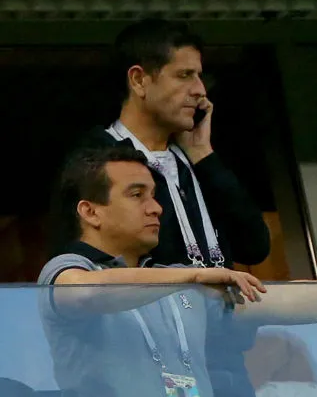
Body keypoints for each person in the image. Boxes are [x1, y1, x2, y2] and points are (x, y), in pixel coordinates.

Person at [39, 146, 317, 397]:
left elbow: (280, 299)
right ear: (89, 211)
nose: (156, 208)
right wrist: (192, 277)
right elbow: (83, 293)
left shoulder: (172, 279)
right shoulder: (69, 268)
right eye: (136, 195)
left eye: (154, 195)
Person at [64, 18, 270, 269]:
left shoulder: (197, 157)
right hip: (155, 306)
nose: (200, 90)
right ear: (139, 80)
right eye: (184, 75)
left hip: (219, 307)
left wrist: (203, 155)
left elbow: (254, 247)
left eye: (199, 76)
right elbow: (80, 267)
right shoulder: (96, 159)